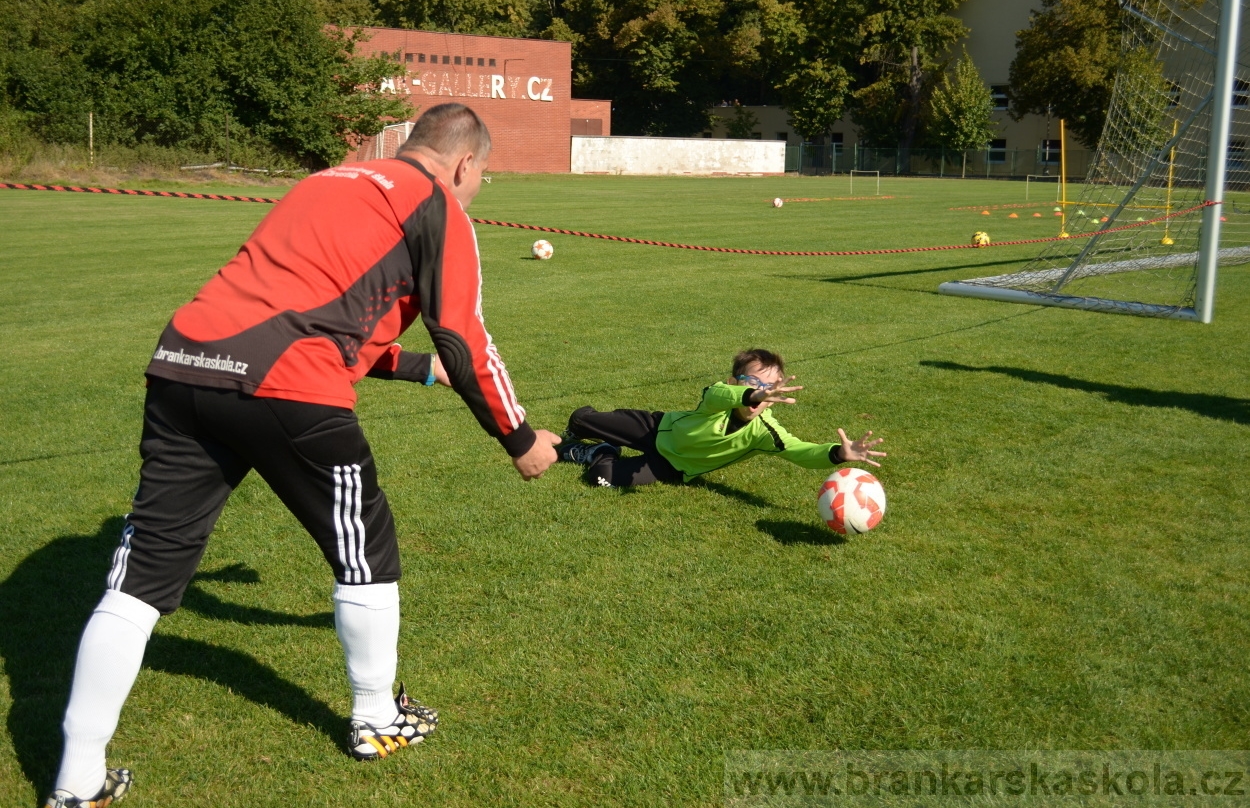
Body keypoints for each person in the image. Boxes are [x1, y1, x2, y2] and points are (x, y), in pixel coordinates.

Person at [45, 103, 561, 808]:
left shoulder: (326, 181)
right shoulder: (436, 203)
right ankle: (377, 719)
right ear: (466, 163)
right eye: (482, 178)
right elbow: (464, 336)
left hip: (180, 365)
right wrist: (521, 438)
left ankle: (76, 783)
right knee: (365, 549)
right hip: (287, 386)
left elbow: (302, 308)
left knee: (139, 582)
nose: (476, 190)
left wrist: (415, 372)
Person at [559, 349, 884, 488]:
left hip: (672, 466)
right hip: (657, 428)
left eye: (771, 388)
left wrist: (839, 454)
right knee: (581, 420)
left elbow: (801, 451)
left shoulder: (764, 432)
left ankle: (600, 451)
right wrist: (749, 395)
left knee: (599, 477)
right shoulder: (720, 396)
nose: (762, 393)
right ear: (735, 383)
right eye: (754, 383)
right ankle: (588, 430)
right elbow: (716, 394)